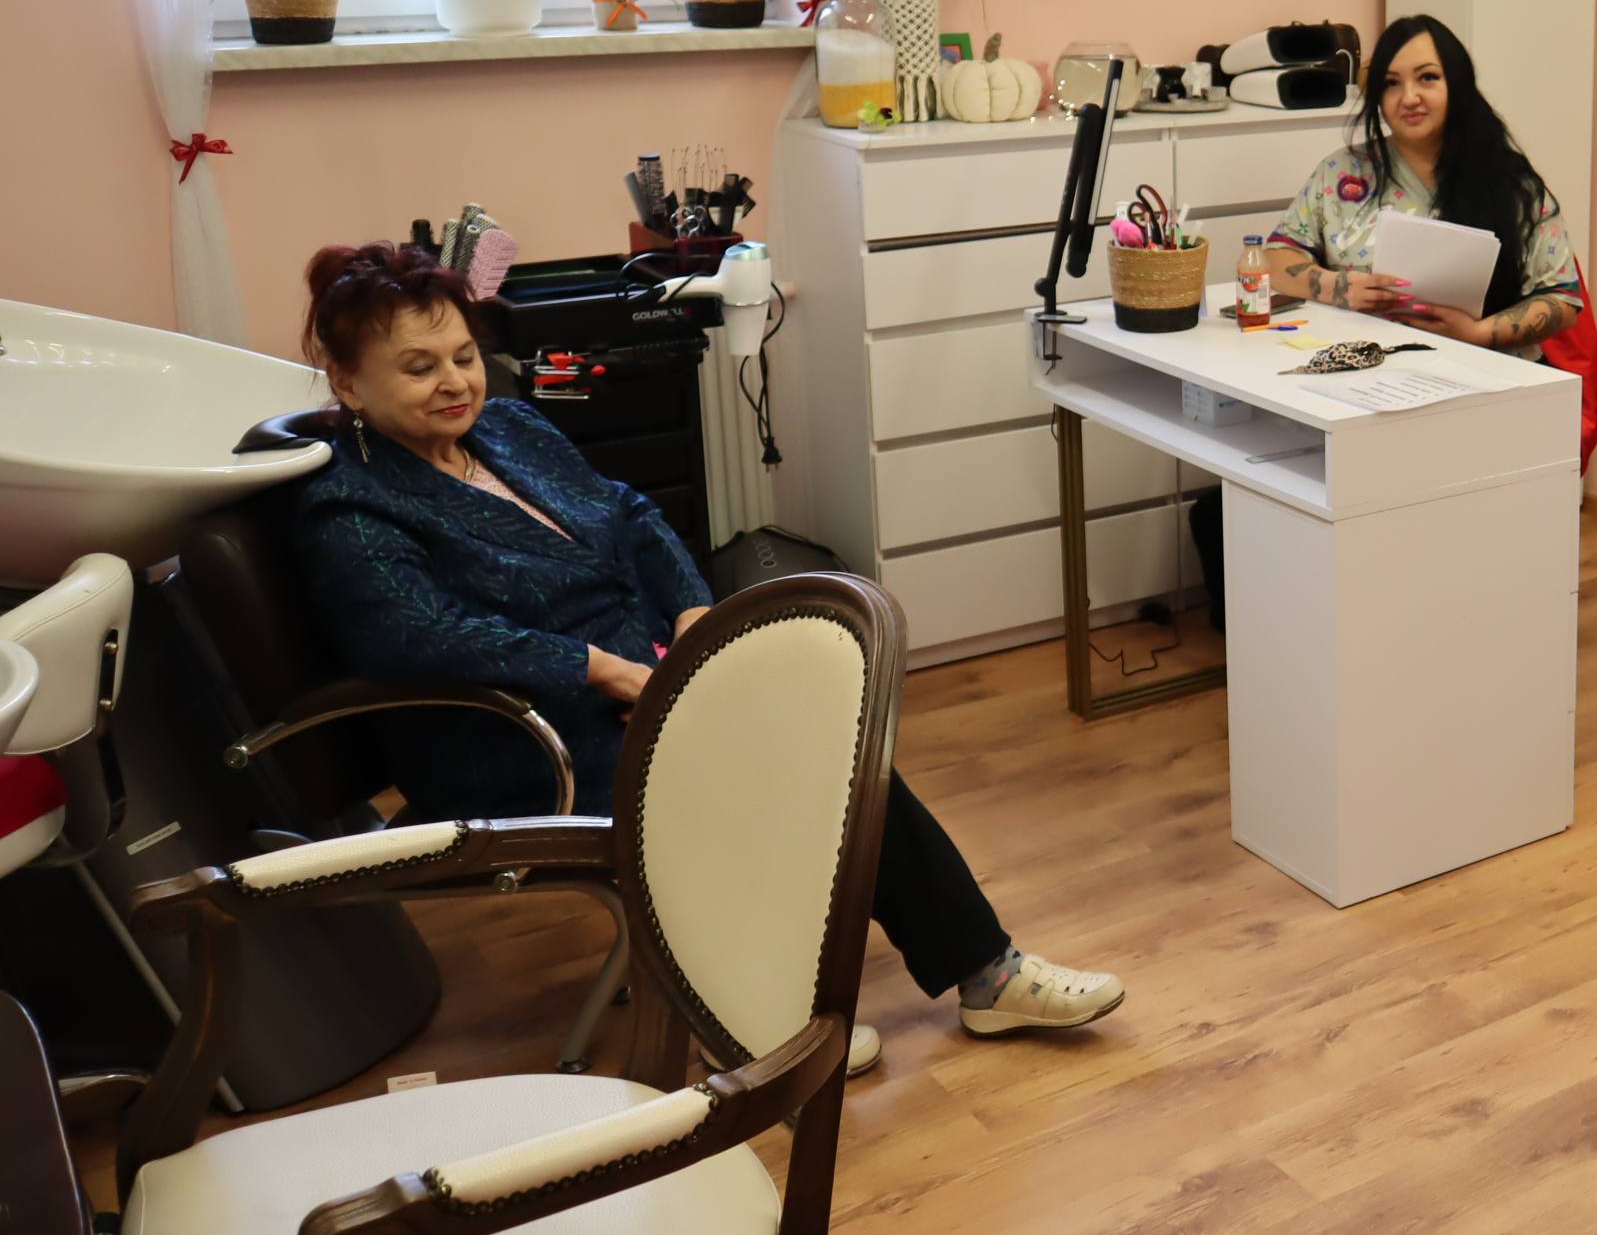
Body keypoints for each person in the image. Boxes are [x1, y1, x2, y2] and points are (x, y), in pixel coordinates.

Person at [287, 243, 1125, 1072]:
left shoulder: (510, 429)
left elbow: (629, 513)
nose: (455, 382)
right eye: (419, 368)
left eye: (464, 357)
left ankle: (982, 974)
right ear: (349, 384)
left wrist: (693, 610)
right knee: (783, 757)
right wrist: (602, 669)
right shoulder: (352, 507)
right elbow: (425, 635)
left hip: (646, 679)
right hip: (525, 738)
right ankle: (767, 1012)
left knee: (837, 738)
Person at [1263, 15, 1586, 356]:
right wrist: (1338, 287)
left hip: (1487, 371)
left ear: (1458, 84)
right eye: (1391, 83)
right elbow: (1271, 261)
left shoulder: (1512, 181)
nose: (1409, 97)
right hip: (1364, 369)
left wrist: (1479, 333)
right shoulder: (1341, 172)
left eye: (1428, 78)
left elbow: (1562, 300)